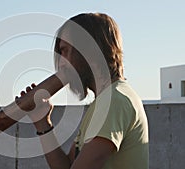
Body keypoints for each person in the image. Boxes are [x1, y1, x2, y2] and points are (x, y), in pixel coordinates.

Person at [17, 13, 149, 169]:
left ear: (89, 49)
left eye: (65, 51)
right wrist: (42, 123)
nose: (61, 64)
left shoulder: (115, 101)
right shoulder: (103, 102)